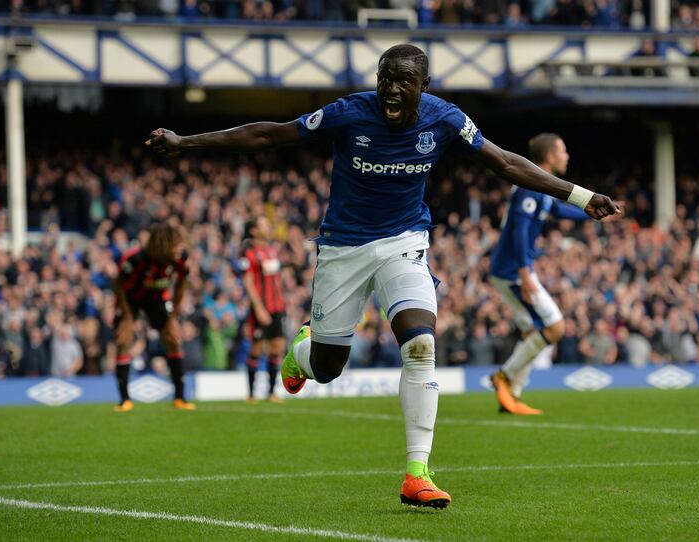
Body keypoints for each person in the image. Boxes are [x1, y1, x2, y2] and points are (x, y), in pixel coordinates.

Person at [146, 43, 619, 508]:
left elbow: (506, 162)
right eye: (384, 79)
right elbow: (268, 134)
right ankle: (302, 355)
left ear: (424, 86)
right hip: (343, 248)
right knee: (329, 368)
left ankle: (417, 474)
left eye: (403, 82)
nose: (391, 91)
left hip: (404, 243)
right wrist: (186, 143)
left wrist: (578, 195)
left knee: (420, 346)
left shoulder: (446, 119)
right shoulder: (349, 113)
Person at [488, 133, 595, 415]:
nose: (567, 156)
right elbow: (520, 229)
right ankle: (504, 377)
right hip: (513, 270)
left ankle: (510, 395)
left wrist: (592, 211)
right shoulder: (529, 186)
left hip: (510, 268)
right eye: (563, 151)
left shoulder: (537, 185)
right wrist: (524, 272)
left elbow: (557, 210)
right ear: (549, 157)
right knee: (555, 327)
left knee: (531, 334)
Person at [113, 222, 196, 412]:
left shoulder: (180, 258)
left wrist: (173, 318)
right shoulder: (135, 259)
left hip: (157, 298)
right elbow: (118, 286)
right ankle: (124, 400)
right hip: (130, 298)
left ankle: (180, 398)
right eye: (175, 244)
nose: (180, 248)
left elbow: (181, 285)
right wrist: (127, 319)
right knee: (123, 339)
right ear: (163, 245)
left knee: (173, 338)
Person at [239, 216, 286, 404]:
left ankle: (272, 392)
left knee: (277, 346)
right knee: (257, 348)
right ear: (254, 231)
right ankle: (251, 394)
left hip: (277, 307)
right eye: (264, 224)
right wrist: (259, 308)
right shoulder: (249, 252)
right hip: (261, 307)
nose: (269, 227)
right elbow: (248, 282)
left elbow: (276, 279)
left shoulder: (272, 250)